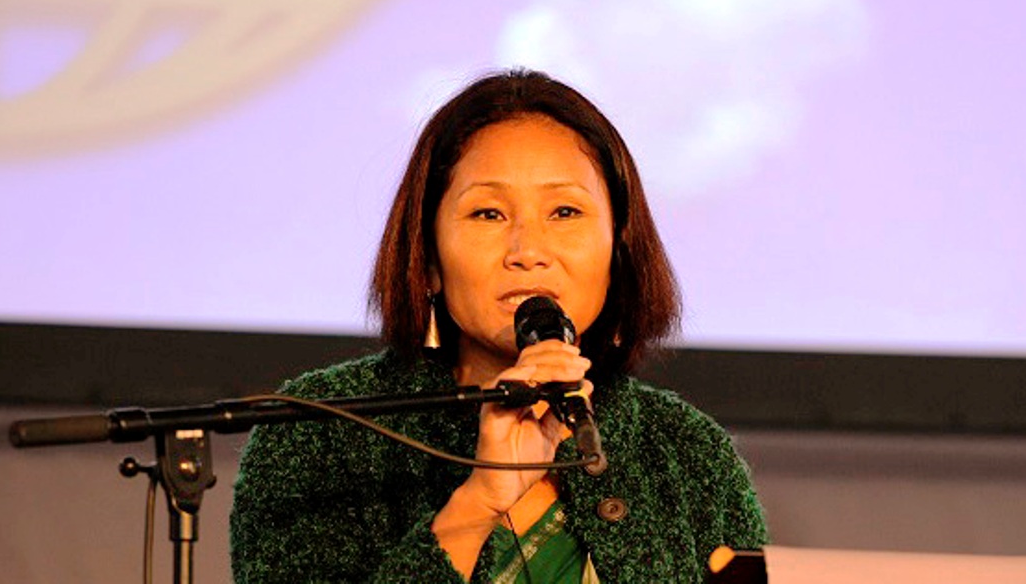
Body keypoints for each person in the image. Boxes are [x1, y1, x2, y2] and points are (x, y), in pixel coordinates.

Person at [230, 69, 767, 583]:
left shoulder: (686, 449)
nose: (528, 251)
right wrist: (480, 499)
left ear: (618, 249)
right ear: (429, 258)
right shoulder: (320, 431)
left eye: (565, 212)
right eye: (488, 214)